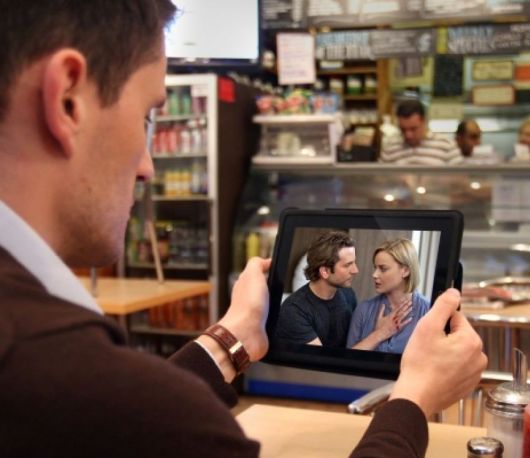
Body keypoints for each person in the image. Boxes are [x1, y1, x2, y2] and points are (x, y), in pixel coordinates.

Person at [0, 1, 487, 456]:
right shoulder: (60, 370)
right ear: (68, 99)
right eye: (146, 117)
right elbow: (139, 416)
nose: (148, 166)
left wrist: (232, 337)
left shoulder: (59, 370)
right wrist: (414, 400)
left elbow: (127, 421)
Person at [275, 231, 359, 347]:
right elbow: (321, 358)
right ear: (325, 271)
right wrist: (379, 334)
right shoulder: (294, 311)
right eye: (347, 265)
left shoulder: (348, 294)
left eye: (354, 263)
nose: (355, 270)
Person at [347, 239, 430, 353]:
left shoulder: (429, 311)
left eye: (383, 269)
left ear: (405, 271)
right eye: (375, 268)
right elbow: (348, 360)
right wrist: (379, 334)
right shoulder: (363, 310)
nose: (374, 274)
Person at [379, 99, 463, 165]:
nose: (408, 135)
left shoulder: (446, 145)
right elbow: (380, 178)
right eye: (403, 129)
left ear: (424, 121)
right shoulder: (390, 147)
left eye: (413, 129)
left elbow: (460, 178)